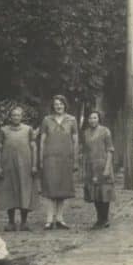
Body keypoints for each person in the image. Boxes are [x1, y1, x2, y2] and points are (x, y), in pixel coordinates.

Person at [37, 95, 78, 230]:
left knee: (63, 188)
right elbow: (42, 140)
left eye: (61, 104)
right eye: (56, 104)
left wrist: (75, 159)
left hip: (66, 159)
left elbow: (75, 141)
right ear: (53, 106)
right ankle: (49, 220)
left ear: (65, 105)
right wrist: (41, 158)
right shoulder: (47, 120)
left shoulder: (72, 120)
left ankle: (60, 218)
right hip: (50, 158)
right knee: (50, 188)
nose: (58, 106)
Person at [0, 106, 38, 232]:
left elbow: (34, 147)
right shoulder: (4, 130)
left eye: (18, 115)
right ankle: (11, 222)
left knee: (25, 192)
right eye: (13, 115)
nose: (16, 117)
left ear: (22, 116)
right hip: (8, 166)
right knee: (10, 193)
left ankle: (24, 222)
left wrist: (34, 165)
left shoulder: (28, 129)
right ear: (10, 117)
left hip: (25, 166)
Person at [81, 110, 115, 229]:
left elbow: (110, 150)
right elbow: (85, 152)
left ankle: (105, 219)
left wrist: (107, 168)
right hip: (91, 166)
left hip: (103, 164)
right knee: (95, 193)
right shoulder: (85, 133)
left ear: (99, 119)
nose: (92, 120)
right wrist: (84, 169)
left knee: (104, 192)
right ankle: (99, 219)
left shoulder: (105, 131)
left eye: (95, 118)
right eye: (90, 118)